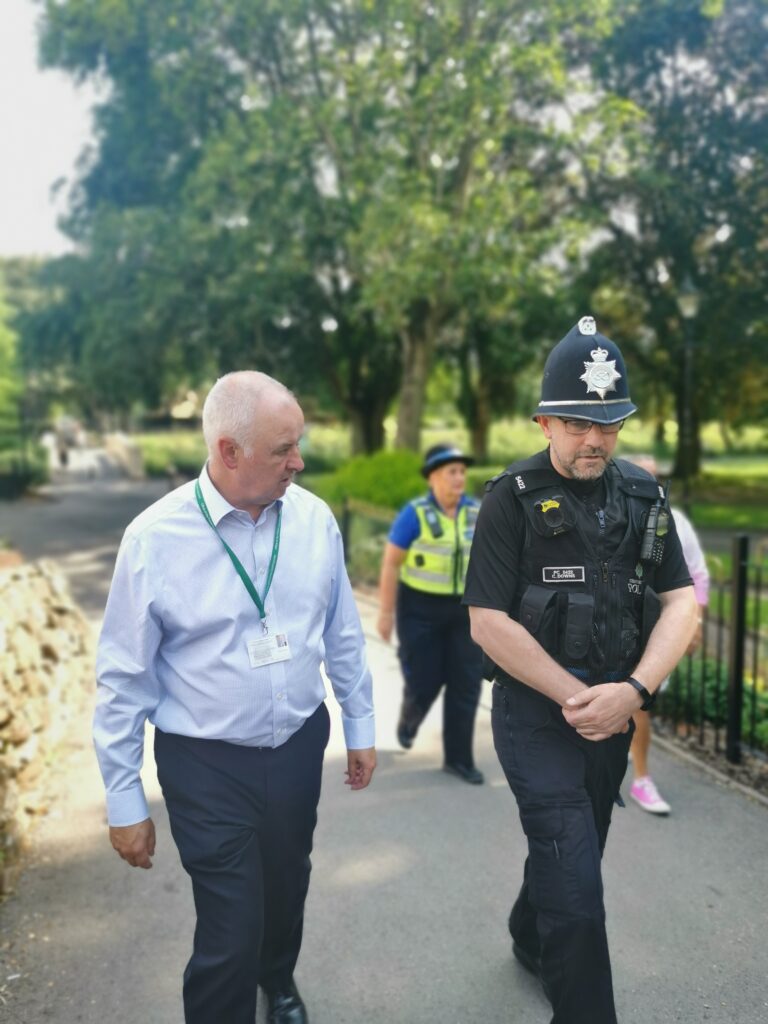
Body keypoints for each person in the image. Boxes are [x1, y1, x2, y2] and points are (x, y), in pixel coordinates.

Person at [94, 371, 376, 1024]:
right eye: (284, 449)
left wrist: (359, 726)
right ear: (228, 451)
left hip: (299, 744)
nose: (299, 462)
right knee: (231, 921)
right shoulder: (154, 540)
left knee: (287, 885)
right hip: (205, 761)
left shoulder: (313, 521)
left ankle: (278, 981)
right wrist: (124, 797)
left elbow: (341, 630)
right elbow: (122, 678)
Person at [463, 316, 698, 1024]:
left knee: (578, 851)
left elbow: (683, 602)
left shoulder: (644, 497)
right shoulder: (509, 499)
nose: (594, 439)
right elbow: (487, 620)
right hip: (538, 718)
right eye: (575, 423)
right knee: (578, 888)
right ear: (544, 421)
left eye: (609, 423)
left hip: (614, 717)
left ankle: (527, 934)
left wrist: (631, 692)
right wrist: (579, 699)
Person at [377, 443, 484, 784]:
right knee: (425, 678)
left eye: (462, 471)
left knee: (465, 684)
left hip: (465, 611)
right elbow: (392, 564)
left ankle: (458, 758)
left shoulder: (476, 513)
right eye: (452, 472)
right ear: (434, 477)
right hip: (419, 609)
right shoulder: (415, 513)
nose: (459, 478)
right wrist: (384, 612)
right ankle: (411, 714)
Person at [626, 454, 710, 815]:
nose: (650, 486)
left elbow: (698, 575)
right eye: (641, 478)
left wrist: (695, 622)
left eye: (654, 478)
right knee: (635, 702)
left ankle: (637, 773)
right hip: (617, 627)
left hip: (659, 629)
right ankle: (638, 773)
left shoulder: (676, 523)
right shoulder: (608, 517)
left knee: (639, 701)